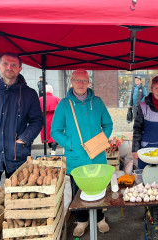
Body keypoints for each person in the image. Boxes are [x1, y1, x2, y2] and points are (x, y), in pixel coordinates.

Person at [51, 69, 113, 237]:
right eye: (77, 80)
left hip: (97, 156)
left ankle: (100, 218)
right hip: (76, 157)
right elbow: (55, 131)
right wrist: (70, 144)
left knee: (99, 188)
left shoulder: (97, 102)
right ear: (71, 81)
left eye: (84, 81)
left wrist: (101, 141)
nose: (80, 84)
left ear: (89, 82)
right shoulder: (64, 104)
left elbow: (108, 124)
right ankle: (81, 220)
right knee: (79, 191)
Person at [0, 52, 43, 187]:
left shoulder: (29, 94)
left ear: (20, 68)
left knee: (18, 196)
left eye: (14, 65)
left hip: (17, 154)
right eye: (5, 63)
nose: (9, 67)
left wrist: (24, 139)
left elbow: (37, 120)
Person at [39, 85, 60, 155]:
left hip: (44, 120)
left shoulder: (40, 99)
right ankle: (53, 149)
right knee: (54, 135)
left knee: (47, 136)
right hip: (55, 120)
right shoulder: (56, 99)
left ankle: (51, 149)